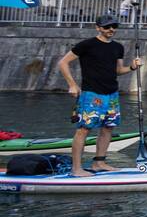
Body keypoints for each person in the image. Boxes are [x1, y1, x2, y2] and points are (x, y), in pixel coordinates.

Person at [56, 13, 141, 177]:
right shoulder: (86, 45)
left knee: (108, 128)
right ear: (98, 28)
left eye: (114, 26)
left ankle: (99, 163)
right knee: (83, 130)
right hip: (91, 94)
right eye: (107, 26)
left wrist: (132, 67)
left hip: (112, 94)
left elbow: (118, 70)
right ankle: (76, 169)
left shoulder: (118, 47)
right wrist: (72, 85)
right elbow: (63, 62)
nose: (111, 29)